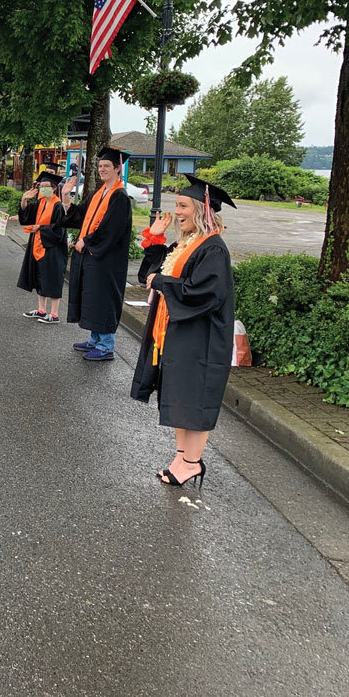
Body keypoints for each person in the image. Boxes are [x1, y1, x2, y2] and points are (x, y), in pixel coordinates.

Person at [131, 175, 237, 487]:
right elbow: (148, 277)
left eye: (182, 205)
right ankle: (182, 457)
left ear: (202, 211)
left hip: (201, 336)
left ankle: (192, 463)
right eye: (176, 205)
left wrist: (163, 283)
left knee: (194, 397)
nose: (176, 211)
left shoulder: (213, 249)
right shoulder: (186, 244)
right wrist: (155, 239)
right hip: (179, 331)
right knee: (178, 394)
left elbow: (204, 293)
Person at [61, 147, 133, 362]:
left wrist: (88, 241)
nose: (102, 169)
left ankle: (105, 346)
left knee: (104, 298)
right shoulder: (98, 192)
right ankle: (95, 339)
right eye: (100, 166)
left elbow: (112, 229)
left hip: (106, 259)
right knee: (92, 296)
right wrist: (66, 197)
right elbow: (81, 215)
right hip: (91, 255)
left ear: (117, 168)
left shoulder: (119, 197)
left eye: (106, 166)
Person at [17, 171, 67, 322]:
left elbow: (59, 230)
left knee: (52, 278)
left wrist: (40, 228)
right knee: (41, 277)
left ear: (53, 188)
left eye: (46, 186)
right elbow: (27, 216)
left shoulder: (58, 205)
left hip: (53, 247)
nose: (43, 188)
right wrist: (24, 200)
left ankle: (54, 314)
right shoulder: (41, 202)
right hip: (38, 245)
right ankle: (41, 310)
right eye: (41, 186)